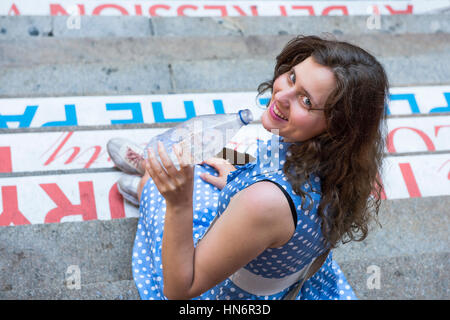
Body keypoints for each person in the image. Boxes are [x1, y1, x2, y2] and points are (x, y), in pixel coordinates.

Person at [107, 35, 389, 300]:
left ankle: (147, 184)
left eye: (305, 100)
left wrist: (179, 203)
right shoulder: (344, 162)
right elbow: (270, 165)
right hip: (281, 260)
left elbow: (181, 289)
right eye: (292, 77)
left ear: (335, 126)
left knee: (166, 189)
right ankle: (152, 167)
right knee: (212, 157)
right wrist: (236, 173)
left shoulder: (263, 202)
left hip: (227, 292)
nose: (281, 96)